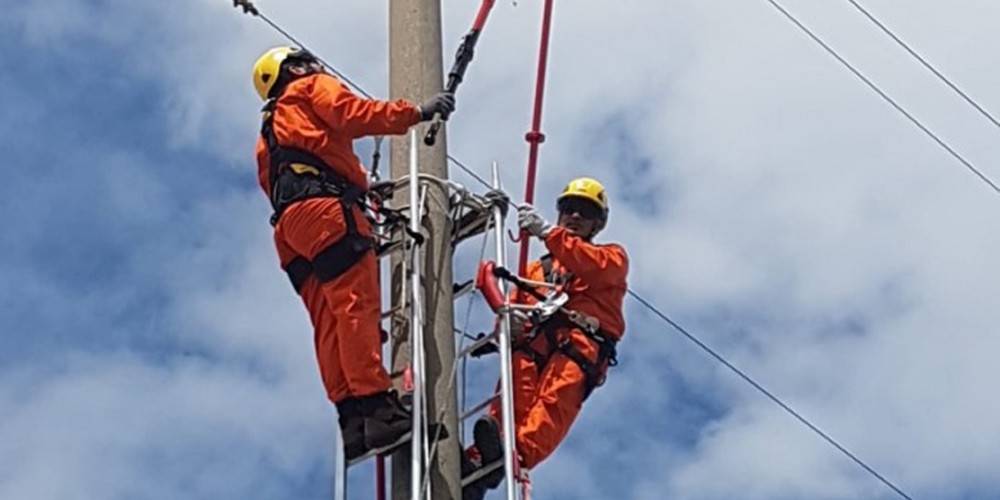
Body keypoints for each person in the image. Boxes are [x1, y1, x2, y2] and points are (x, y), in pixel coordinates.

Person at [251, 46, 455, 460]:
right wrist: (415, 112)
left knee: (328, 323)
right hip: (326, 215)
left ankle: (353, 419)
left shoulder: (269, 131)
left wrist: (357, 189)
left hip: (291, 231)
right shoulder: (310, 88)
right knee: (354, 307)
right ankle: (378, 408)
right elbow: (352, 113)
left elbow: (296, 170)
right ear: (294, 68)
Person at [468, 177, 629, 495]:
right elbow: (514, 306)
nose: (575, 217)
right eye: (569, 209)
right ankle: (479, 462)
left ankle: (516, 455)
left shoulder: (611, 258)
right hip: (533, 344)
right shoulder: (534, 271)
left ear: (598, 224)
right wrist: (507, 325)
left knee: (554, 401)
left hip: (580, 345)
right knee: (511, 396)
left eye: (584, 212)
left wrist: (546, 233)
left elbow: (589, 263)